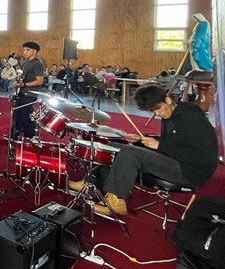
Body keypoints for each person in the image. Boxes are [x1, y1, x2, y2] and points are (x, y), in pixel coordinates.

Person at [92, 85, 218, 218]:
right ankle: (93, 182)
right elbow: (171, 142)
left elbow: (204, 156)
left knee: (130, 153)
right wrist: (140, 139)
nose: (157, 113)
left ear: (168, 100)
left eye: (157, 108)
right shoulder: (171, 114)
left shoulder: (193, 119)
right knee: (114, 147)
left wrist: (159, 146)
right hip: (173, 160)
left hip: (191, 171)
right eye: (152, 111)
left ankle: (116, 203)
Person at [12, 41, 45, 139]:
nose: (24, 52)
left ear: (35, 51)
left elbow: (39, 81)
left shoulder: (37, 64)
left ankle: (30, 136)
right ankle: (15, 134)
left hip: (30, 94)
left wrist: (24, 84)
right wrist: (17, 83)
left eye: (27, 50)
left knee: (26, 115)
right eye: (24, 49)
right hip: (22, 92)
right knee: (17, 114)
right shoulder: (26, 64)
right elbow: (24, 78)